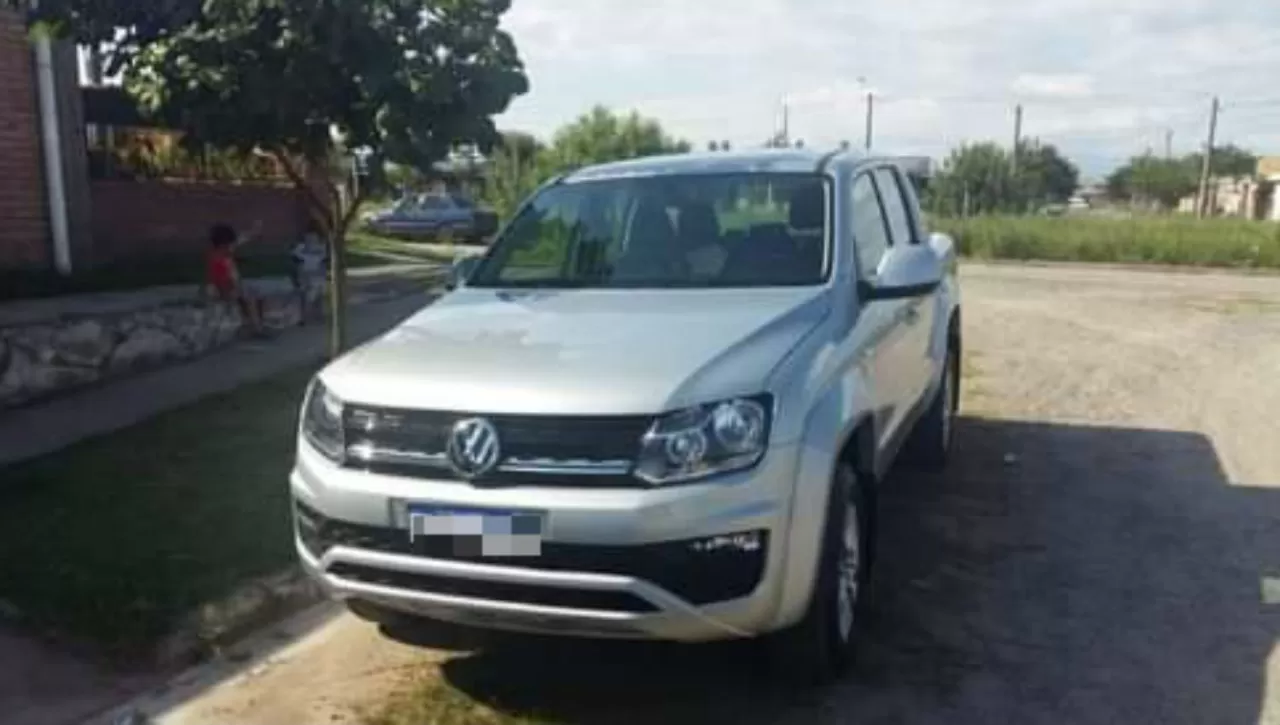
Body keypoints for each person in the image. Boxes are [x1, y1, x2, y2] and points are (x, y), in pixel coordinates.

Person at [206, 220, 268, 337]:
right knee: (248, 296)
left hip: (232, 288)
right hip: (223, 290)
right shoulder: (218, 259)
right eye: (230, 245)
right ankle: (256, 328)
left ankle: (255, 323)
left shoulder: (225, 253)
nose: (232, 247)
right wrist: (232, 291)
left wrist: (254, 231)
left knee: (256, 294)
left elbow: (241, 240)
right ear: (223, 245)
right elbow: (221, 280)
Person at [291, 224, 329, 326]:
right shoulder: (301, 248)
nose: (311, 239)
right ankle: (304, 317)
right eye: (309, 237)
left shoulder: (322, 246)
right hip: (305, 274)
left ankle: (319, 315)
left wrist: (324, 275)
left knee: (319, 296)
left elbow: (324, 262)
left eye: (314, 236)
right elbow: (296, 259)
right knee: (305, 297)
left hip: (317, 274)